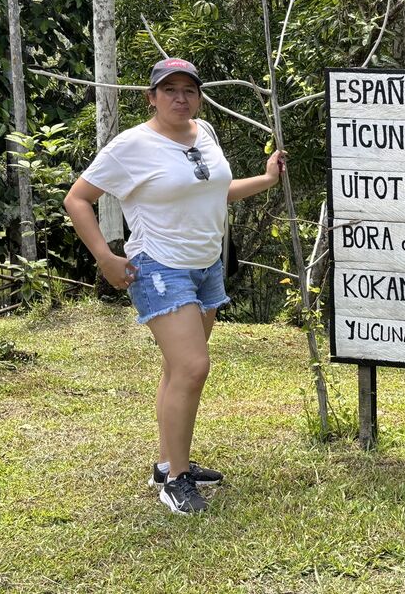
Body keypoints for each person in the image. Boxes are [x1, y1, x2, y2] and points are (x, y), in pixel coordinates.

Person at [64, 58, 284, 515]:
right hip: (160, 267)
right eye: (169, 90)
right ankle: (176, 482)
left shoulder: (204, 133)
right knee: (192, 367)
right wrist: (106, 257)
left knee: (177, 370)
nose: (180, 98)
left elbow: (212, 191)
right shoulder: (132, 146)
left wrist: (265, 179)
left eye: (189, 90)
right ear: (151, 97)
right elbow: (78, 199)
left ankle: (169, 464)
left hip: (206, 267)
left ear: (199, 96)